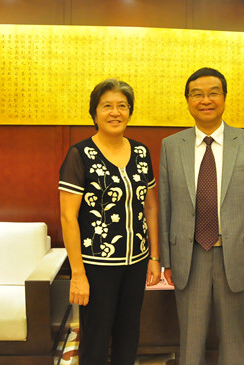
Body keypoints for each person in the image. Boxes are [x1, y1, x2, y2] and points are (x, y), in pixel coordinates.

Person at [158, 67, 244, 365]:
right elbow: (165, 205)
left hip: (235, 256)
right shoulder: (171, 146)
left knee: (233, 337)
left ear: (224, 98)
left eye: (213, 93)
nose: (205, 100)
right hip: (189, 255)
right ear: (188, 100)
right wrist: (167, 259)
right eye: (197, 94)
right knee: (190, 338)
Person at [59, 78, 161, 365]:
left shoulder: (141, 153)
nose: (115, 112)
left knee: (129, 334)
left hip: (137, 261)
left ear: (129, 112)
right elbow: (68, 217)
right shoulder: (80, 155)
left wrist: (154, 256)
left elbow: (151, 206)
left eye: (122, 106)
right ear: (94, 113)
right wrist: (77, 274)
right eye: (107, 106)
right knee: (95, 337)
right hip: (96, 266)